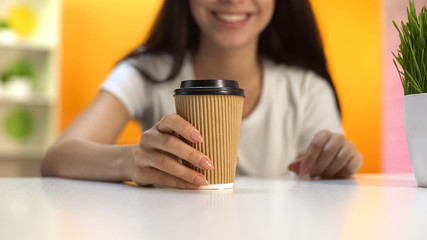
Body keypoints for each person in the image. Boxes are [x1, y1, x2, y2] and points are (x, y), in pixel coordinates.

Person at [42, 0, 363, 189]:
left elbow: (330, 175)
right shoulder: (147, 71)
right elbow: (58, 158)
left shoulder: (306, 88)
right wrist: (133, 160)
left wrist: (338, 162)